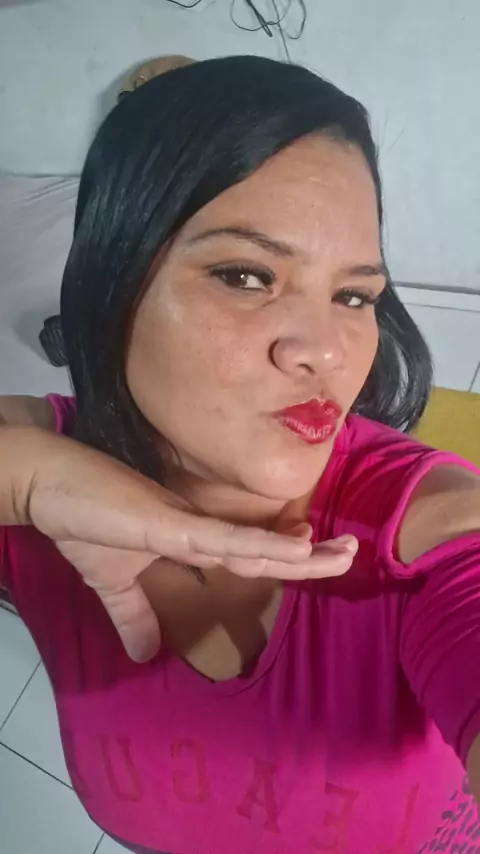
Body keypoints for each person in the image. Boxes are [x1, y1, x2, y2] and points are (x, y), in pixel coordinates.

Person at [1, 55, 480, 854]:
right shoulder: (37, 476)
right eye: (247, 275)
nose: (327, 351)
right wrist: (23, 484)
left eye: (354, 295)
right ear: (112, 282)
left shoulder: (426, 541)